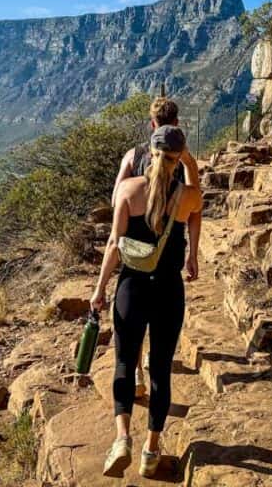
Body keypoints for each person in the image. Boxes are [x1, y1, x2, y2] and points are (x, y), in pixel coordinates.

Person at [92, 125, 204, 478]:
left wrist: (99, 290)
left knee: (125, 364)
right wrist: (193, 256)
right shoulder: (188, 195)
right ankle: (151, 451)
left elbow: (113, 245)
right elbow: (197, 212)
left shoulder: (127, 190)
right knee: (160, 370)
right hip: (168, 290)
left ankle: (122, 438)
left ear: (150, 154)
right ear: (178, 158)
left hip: (131, 288)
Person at [112, 95, 201, 399]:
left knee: (132, 318)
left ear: (152, 125)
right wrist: (193, 253)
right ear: (176, 123)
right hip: (167, 257)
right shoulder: (180, 160)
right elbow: (195, 206)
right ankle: (153, 363)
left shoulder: (133, 156)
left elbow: (116, 198)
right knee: (160, 320)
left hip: (135, 254)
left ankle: (135, 374)